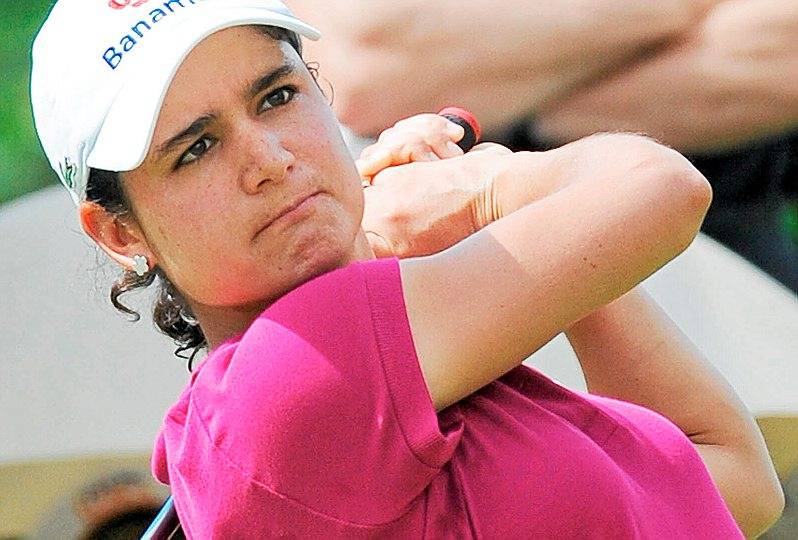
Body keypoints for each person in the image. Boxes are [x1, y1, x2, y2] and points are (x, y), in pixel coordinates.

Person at [31, 0, 783, 537]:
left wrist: (525, 237)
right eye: (197, 148)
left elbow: (728, 482)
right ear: (119, 232)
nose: (269, 159)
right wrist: (483, 189)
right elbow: (665, 189)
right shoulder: (280, 384)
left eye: (277, 96)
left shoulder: (397, 381)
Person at [289, 0, 798, 292]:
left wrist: (510, 89)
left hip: (730, 251)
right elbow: (370, 65)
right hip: (452, 259)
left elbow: (785, 46)